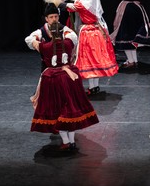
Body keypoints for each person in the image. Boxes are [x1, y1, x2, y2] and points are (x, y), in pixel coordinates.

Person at [29, 17, 99, 152]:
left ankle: (66, 142)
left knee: (56, 110)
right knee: (70, 109)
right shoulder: (68, 43)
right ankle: (71, 142)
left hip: (53, 80)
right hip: (69, 78)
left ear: (50, 33)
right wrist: (65, 30)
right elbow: (72, 36)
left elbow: (31, 40)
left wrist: (38, 33)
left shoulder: (45, 47)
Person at [66, 0, 119, 96]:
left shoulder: (82, 3)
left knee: (89, 60)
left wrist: (68, 2)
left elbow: (70, 8)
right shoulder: (94, 2)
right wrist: (75, 1)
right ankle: (95, 86)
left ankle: (92, 87)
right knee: (96, 60)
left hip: (88, 33)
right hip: (98, 31)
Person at [109, 0, 150, 72]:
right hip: (135, 10)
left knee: (125, 35)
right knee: (132, 37)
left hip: (128, 12)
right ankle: (134, 60)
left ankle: (131, 61)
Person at [25, 0, 78, 71]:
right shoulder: (41, 31)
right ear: (46, 19)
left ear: (58, 17)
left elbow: (73, 38)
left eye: (56, 16)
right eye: (51, 17)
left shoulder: (64, 29)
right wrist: (36, 43)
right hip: (47, 68)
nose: (54, 19)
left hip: (63, 68)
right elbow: (29, 39)